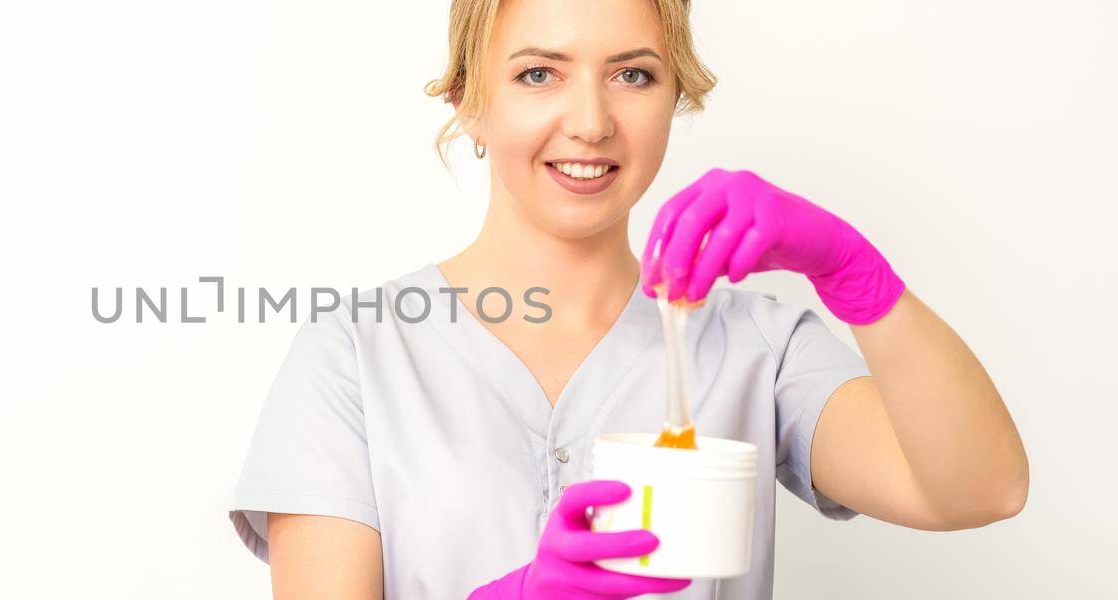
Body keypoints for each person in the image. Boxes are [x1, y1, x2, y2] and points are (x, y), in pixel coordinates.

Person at [227, 0, 1029, 597]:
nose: (590, 121)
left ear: (674, 96)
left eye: (633, 75)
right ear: (470, 99)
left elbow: (979, 488)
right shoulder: (357, 355)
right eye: (538, 73)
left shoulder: (757, 346)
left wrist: (856, 276)